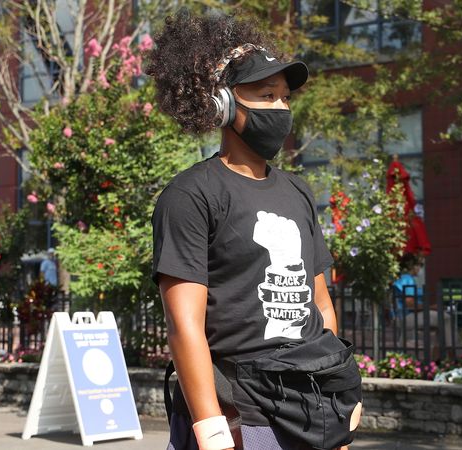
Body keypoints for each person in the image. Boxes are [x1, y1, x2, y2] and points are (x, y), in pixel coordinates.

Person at [146, 12, 359, 450]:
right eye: (266, 95)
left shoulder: (298, 191)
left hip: (311, 404)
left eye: (284, 97)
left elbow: (321, 304)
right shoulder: (190, 195)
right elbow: (184, 325)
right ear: (222, 103)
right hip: (242, 412)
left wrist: (335, 392)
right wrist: (211, 428)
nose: (280, 108)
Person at [391, 254, 453, 360]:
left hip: (404, 316)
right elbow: (410, 304)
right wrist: (431, 307)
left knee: (440, 323)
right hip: (407, 317)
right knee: (446, 318)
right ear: (411, 266)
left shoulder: (401, 278)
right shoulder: (407, 279)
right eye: (419, 265)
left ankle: (437, 358)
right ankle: (451, 355)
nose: (420, 268)